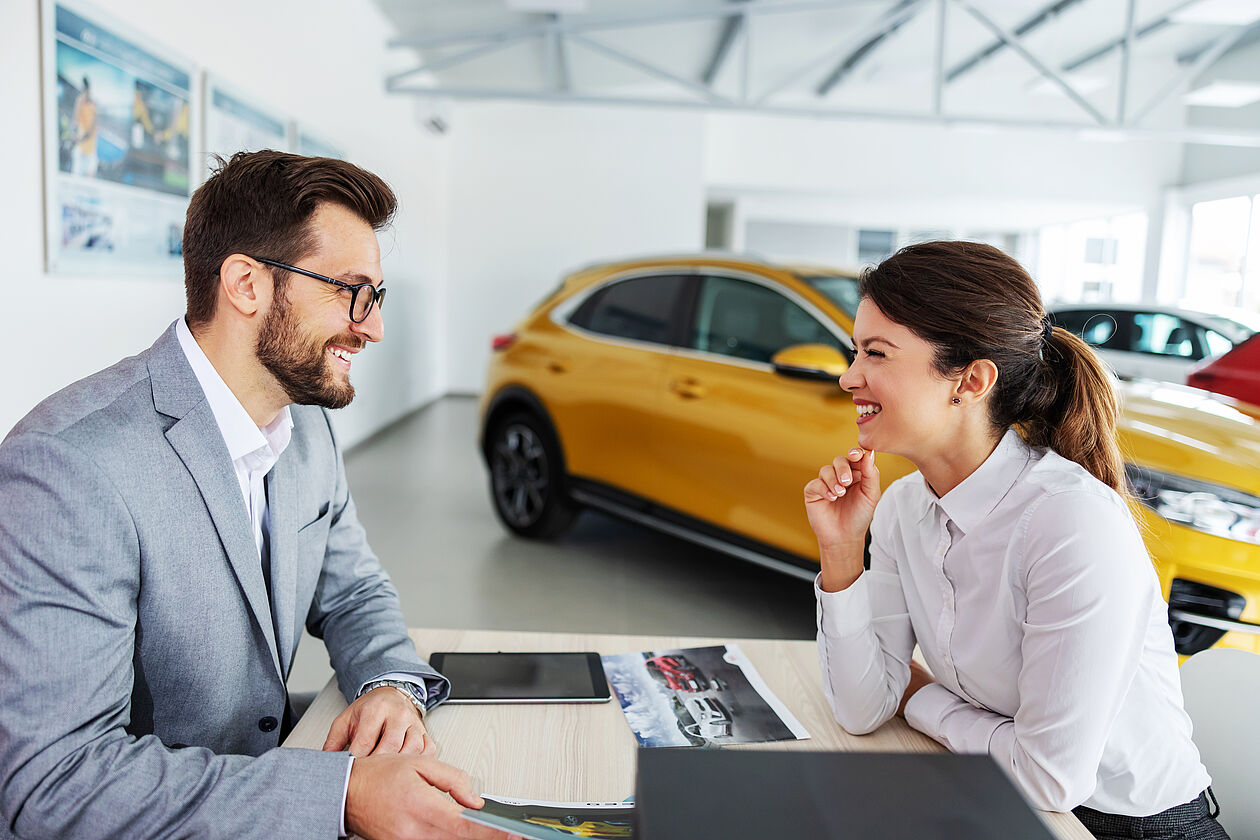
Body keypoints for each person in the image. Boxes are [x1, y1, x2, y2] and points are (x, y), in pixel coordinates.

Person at [0, 150, 512, 840]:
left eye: (377, 296)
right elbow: (56, 783)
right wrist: (339, 796)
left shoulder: (305, 432)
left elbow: (354, 592)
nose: (373, 326)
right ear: (246, 285)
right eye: (350, 292)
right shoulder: (70, 467)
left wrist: (389, 684)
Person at [805, 241, 1230, 840]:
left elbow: (1050, 779)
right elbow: (861, 708)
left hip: (1124, 828)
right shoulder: (903, 506)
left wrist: (922, 698)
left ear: (971, 380)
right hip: (991, 793)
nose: (850, 377)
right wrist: (842, 551)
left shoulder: (1070, 521)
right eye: (856, 350)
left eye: (876, 353)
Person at [71, 75, 98, 176]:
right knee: (77, 173)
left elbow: (91, 129)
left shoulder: (93, 105)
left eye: (85, 89)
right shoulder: (79, 102)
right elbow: (75, 120)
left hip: (90, 147)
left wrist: (81, 138)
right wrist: (76, 137)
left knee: (89, 175)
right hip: (81, 147)